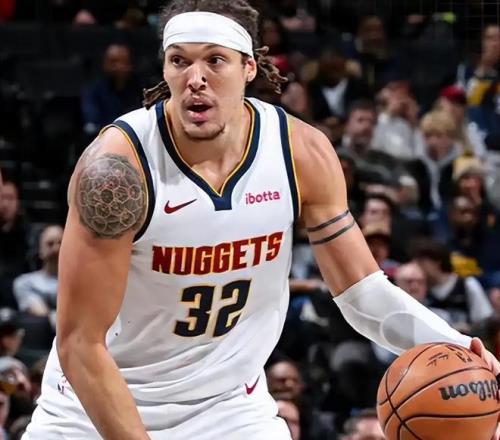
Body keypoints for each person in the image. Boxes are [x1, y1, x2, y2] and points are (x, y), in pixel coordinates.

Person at [24, 1, 500, 439]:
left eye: (215, 60)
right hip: (93, 411)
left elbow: (361, 293)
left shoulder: (300, 151)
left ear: (248, 67)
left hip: (228, 410)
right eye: (179, 61)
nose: (195, 78)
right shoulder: (116, 172)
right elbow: (80, 343)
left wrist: (460, 348)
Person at [13, 225, 63, 326]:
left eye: (60, 243)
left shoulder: (79, 284)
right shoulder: (25, 283)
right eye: (50, 244)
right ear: (40, 249)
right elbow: (42, 314)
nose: (56, 248)